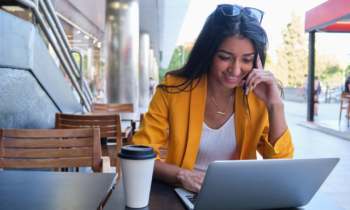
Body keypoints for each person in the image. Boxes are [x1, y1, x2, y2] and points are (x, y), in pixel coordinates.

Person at [132, 4, 294, 193]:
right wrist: (184, 176)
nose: (235, 70)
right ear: (209, 53)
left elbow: (282, 168)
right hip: (181, 194)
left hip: (237, 194)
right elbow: (140, 154)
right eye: (225, 57)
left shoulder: (257, 97)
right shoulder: (174, 88)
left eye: (246, 59)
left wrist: (275, 105)